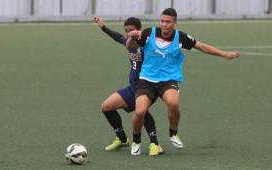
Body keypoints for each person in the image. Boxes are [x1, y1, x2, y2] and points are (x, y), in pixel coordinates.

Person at [126, 8, 240, 155]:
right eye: (162, 21)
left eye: (168, 22)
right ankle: (136, 141)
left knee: (173, 103)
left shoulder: (181, 37)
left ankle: (173, 133)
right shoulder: (148, 33)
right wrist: (132, 37)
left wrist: (224, 54)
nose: (164, 24)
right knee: (140, 111)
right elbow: (130, 47)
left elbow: (202, 46)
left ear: (175, 23)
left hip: (168, 80)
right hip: (147, 79)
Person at [94, 16, 164, 156]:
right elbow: (118, 37)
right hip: (133, 87)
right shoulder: (129, 42)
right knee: (106, 107)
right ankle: (122, 138)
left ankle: (155, 144)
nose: (128, 33)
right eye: (126, 31)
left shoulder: (148, 46)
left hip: (147, 86)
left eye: (131, 30)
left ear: (139, 30)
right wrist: (103, 27)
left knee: (141, 111)